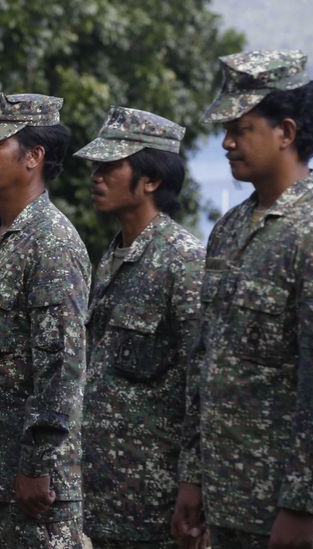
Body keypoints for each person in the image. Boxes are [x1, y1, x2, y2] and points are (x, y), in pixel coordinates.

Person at [172, 49, 313, 549]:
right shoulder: (229, 230)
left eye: (241, 127)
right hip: (227, 498)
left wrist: (303, 504)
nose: (226, 142)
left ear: (286, 131)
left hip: (287, 510)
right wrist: (194, 478)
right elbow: (204, 360)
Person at [0, 92, 90, 548]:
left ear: (33, 156)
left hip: (33, 484)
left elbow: (61, 365)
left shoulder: (51, 244)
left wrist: (38, 463)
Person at [74, 106, 204, 548]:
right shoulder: (113, 258)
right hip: (111, 501)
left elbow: (201, 384)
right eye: (96, 166)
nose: (97, 176)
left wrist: (195, 485)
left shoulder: (184, 262)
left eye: (111, 166)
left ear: (151, 180)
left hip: (161, 503)